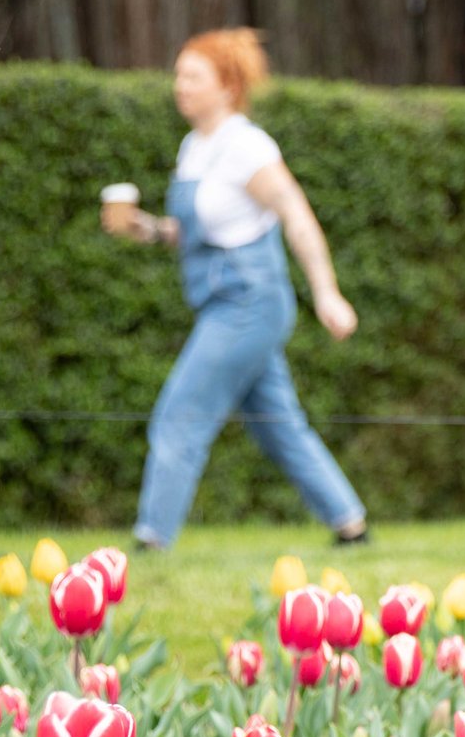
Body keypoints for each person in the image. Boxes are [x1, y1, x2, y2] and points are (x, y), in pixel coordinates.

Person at [106, 29, 368, 551]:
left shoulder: (247, 147)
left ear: (228, 87)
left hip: (248, 304)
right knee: (277, 424)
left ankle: (151, 541)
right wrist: (146, 228)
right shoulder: (194, 148)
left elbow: (296, 215)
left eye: (193, 77)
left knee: (181, 412)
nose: (179, 86)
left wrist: (327, 292)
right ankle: (351, 525)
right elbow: (198, 231)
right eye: (178, 75)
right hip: (221, 304)